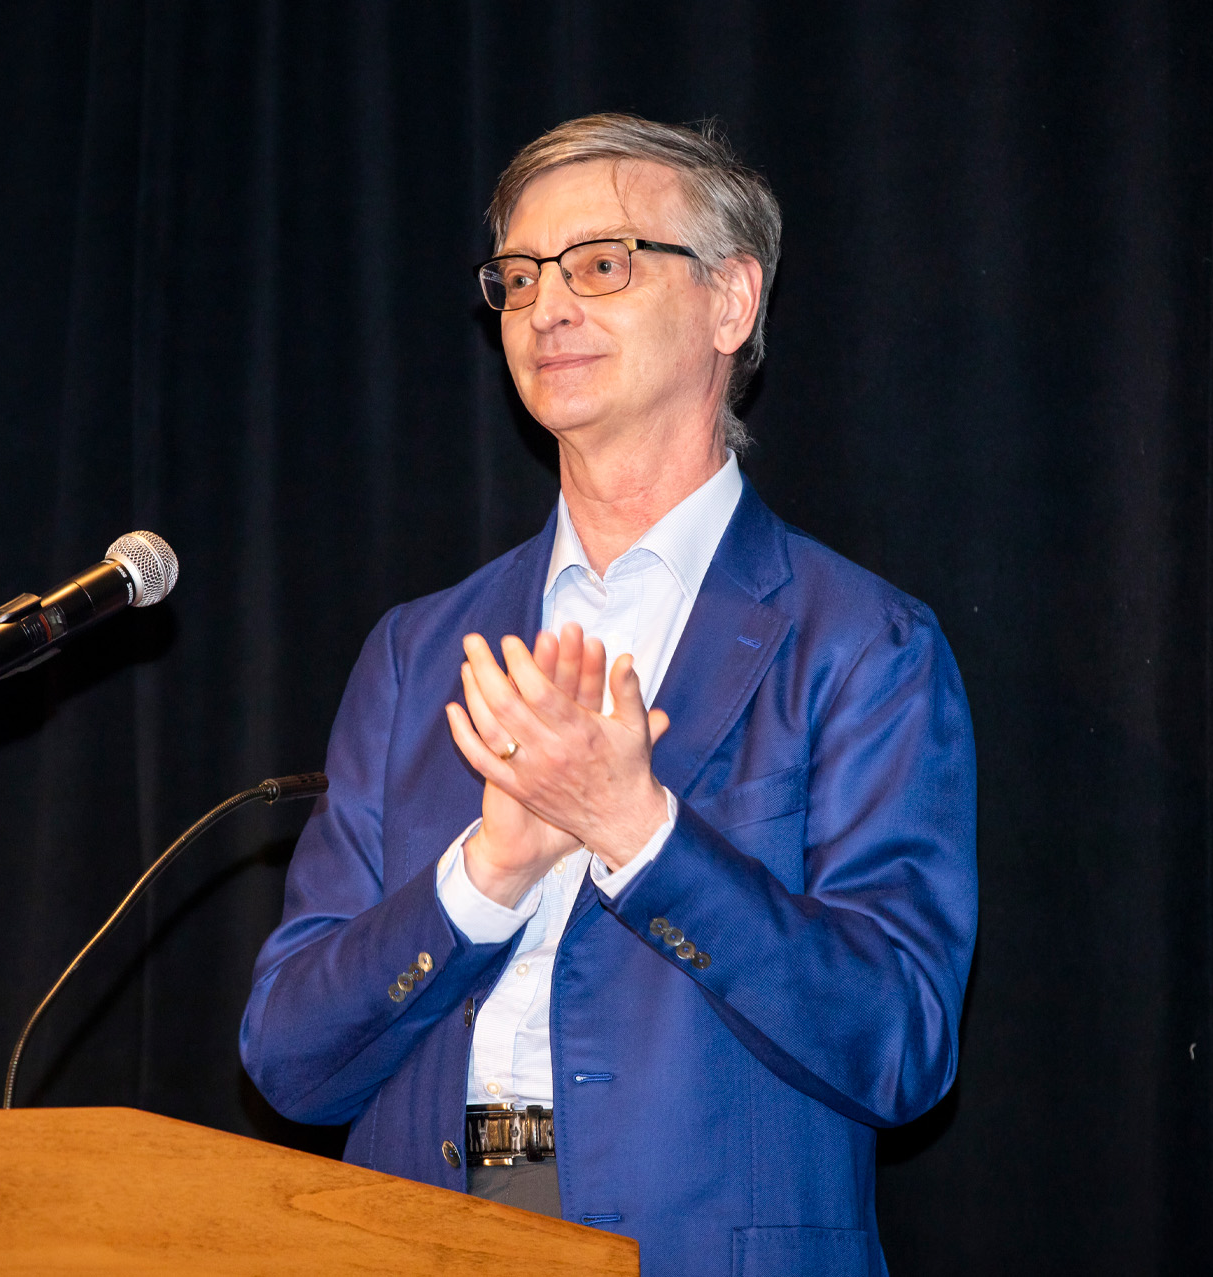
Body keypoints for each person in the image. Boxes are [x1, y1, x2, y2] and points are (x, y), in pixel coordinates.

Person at [240, 113, 976, 1277]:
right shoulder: (417, 649)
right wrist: (485, 877)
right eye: (519, 277)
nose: (544, 309)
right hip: (438, 1236)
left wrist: (640, 830)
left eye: (601, 265)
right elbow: (287, 1055)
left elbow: (899, 1043)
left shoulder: (860, 644)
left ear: (731, 303)